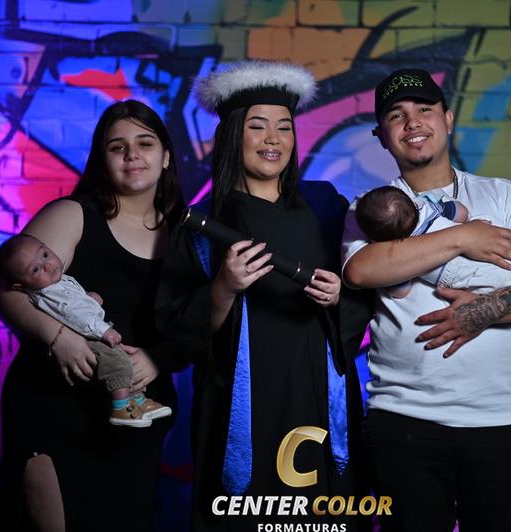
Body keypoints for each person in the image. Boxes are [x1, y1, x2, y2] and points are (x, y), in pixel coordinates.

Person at [342, 69, 511, 531]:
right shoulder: (370, 208)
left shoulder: (503, 196)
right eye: (397, 116)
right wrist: (462, 238)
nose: (413, 123)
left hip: (504, 420)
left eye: (424, 110)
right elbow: (361, 270)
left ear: (448, 119)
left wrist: (481, 312)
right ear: (381, 136)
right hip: (405, 418)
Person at [155, 61, 368, 531]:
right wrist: (223, 288)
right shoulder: (201, 226)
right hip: (243, 410)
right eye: (257, 126)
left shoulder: (326, 206)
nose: (273, 139)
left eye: (284, 127)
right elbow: (177, 336)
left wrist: (342, 294)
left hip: (319, 396)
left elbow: (366, 294)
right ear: (233, 134)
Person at [0, 100, 185, 531]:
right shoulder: (74, 214)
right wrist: (58, 337)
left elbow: (196, 327)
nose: (132, 155)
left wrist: (156, 361)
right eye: (117, 147)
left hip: (136, 415)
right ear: (102, 159)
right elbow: (5, 289)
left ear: (166, 156)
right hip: (56, 408)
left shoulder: (186, 234)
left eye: (145, 143)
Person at [355, 185, 511, 348]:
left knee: (498, 302)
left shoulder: (400, 257)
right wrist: (463, 227)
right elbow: (462, 213)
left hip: (470, 272)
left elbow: (399, 291)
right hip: (505, 250)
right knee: (510, 288)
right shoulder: (428, 204)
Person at [0, 233, 173, 427]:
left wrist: (89, 297)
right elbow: (74, 315)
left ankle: (137, 400)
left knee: (126, 361)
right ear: (21, 286)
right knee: (116, 363)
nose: (47, 265)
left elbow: (75, 302)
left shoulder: (57, 282)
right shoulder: (50, 293)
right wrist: (104, 331)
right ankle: (121, 407)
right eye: (35, 269)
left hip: (91, 331)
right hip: (86, 337)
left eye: (45, 254)